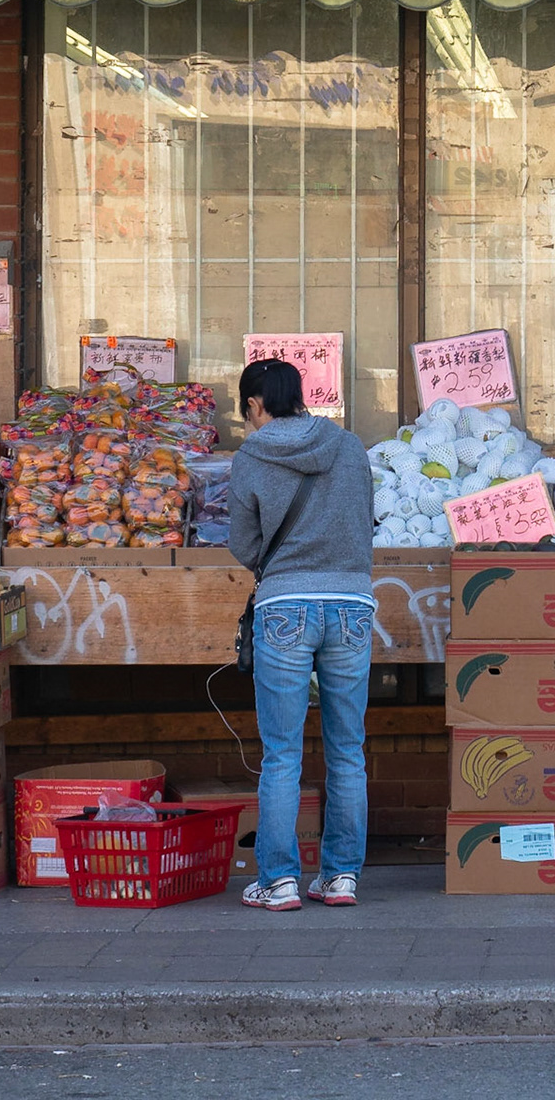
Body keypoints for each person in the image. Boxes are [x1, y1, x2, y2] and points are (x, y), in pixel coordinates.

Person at [229, 358, 376, 911]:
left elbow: (243, 543)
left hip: (285, 606)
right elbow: (364, 523)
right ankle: (340, 877)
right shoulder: (349, 446)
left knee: (282, 755)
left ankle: (279, 881)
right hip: (352, 604)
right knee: (348, 751)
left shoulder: (250, 456)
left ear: (254, 404)